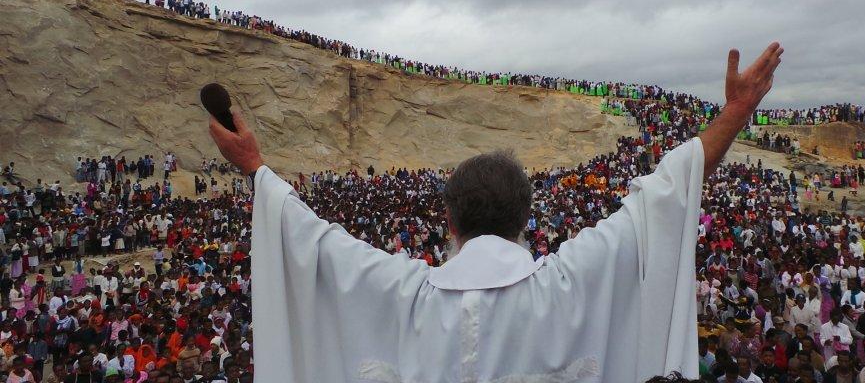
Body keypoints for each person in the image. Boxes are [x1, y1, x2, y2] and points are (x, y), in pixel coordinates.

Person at [207, 43, 785, 382]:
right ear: (523, 223)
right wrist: (734, 111)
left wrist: (255, 166)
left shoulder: (405, 294)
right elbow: (664, 196)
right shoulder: (566, 285)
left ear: (450, 223)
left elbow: (316, 242)